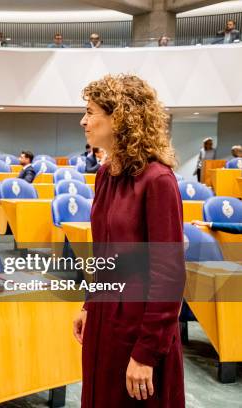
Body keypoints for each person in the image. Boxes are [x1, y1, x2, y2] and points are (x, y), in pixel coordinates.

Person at [74, 74, 185, 407]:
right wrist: (89, 303)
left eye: (91, 111)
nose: (84, 120)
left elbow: (169, 275)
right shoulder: (105, 175)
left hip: (139, 330)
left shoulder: (158, 180)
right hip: (106, 322)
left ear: (119, 117)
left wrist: (146, 353)